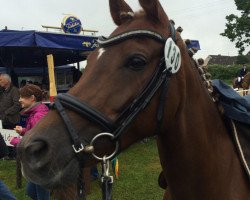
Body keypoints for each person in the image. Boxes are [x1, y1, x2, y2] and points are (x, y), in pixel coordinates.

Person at [10, 84, 50, 200]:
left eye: (22, 96)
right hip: (38, 160)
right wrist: (22, 131)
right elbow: (34, 133)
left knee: (41, 195)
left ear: (32, 98)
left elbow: (36, 143)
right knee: (31, 191)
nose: (19, 99)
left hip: (41, 161)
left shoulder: (38, 115)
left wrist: (15, 141)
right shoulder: (36, 113)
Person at [0, 74, 21, 159]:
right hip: (3, 119)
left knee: (12, 137)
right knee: (5, 137)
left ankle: (14, 155)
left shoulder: (14, 90)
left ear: (7, 81)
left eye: (1, 80)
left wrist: (6, 112)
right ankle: (8, 154)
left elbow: (17, 105)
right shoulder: (3, 91)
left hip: (12, 119)